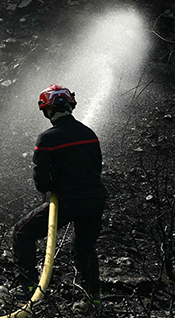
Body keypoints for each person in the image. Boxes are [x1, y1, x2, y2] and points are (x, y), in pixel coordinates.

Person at [12, 84, 108, 305]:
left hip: (67, 201)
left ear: (47, 110)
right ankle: (93, 300)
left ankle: (28, 289)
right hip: (95, 199)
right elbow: (96, 168)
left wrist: (55, 184)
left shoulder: (47, 139)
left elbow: (41, 183)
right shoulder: (89, 134)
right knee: (85, 249)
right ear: (70, 106)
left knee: (22, 233)